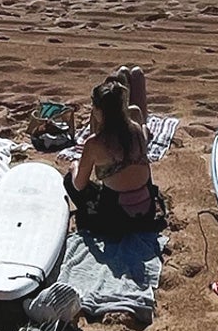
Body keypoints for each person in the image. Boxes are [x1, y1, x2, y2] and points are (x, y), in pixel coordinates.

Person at [68, 69, 160, 233]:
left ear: (97, 110)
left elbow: (79, 185)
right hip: (147, 211)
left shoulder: (95, 143)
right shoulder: (137, 130)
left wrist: (74, 167)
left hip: (116, 218)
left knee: (70, 180)